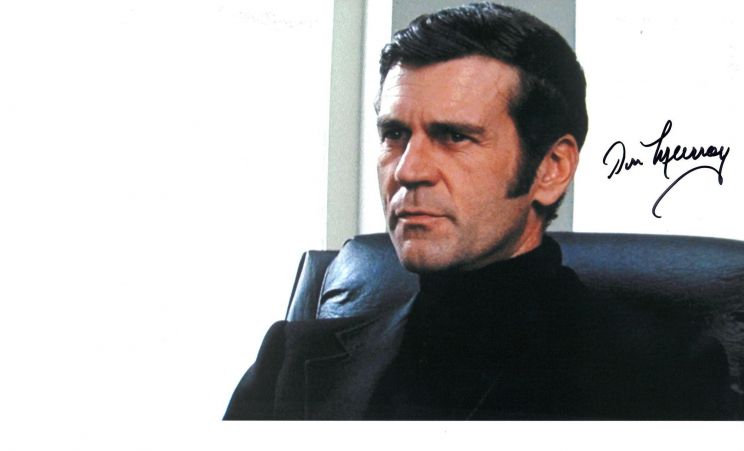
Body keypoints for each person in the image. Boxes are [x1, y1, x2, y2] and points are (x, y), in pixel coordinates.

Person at [224, 2, 735, 420]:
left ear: (551, 168)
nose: (408, 170)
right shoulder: (293, 363)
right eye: (394, 134)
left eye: (453, 136)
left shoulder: (660, 377)